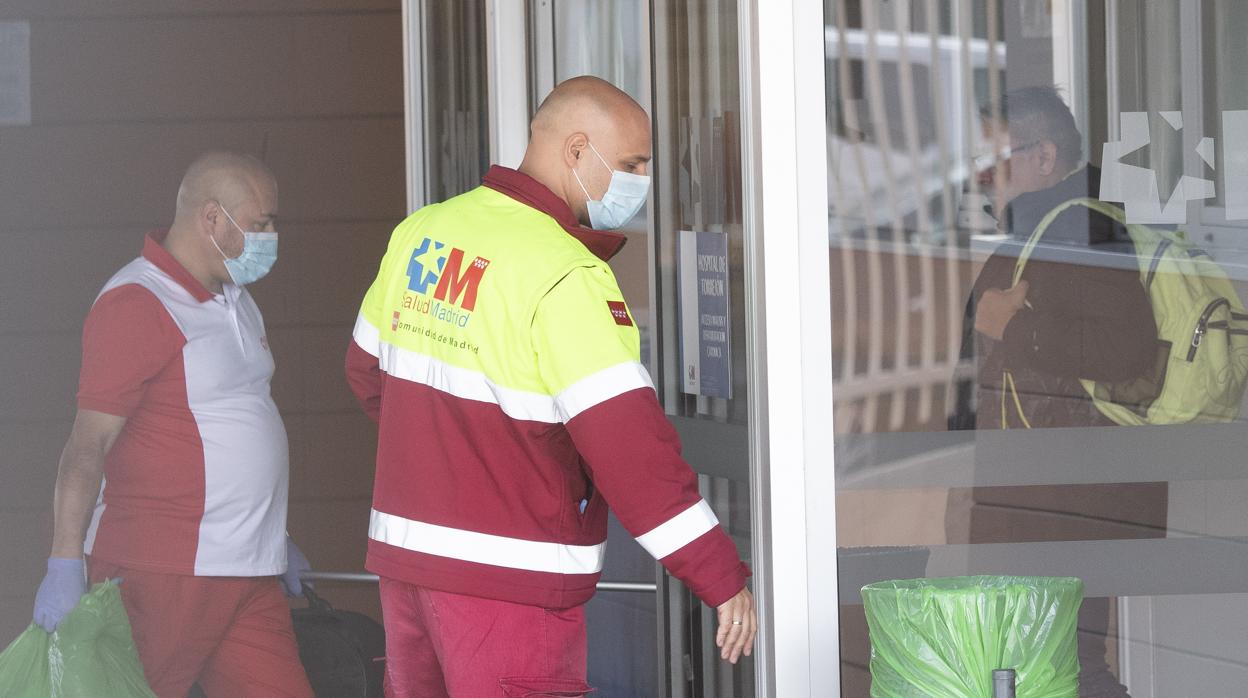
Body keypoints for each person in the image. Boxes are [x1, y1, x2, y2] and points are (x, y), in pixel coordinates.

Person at [346, 76, 755, 696]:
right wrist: (721, 577)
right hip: (509, 587)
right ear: (576, 150)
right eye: (632, 164)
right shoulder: (565, 274)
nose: (642, 182)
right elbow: (632, 457)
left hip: (407, 570)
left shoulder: (422, 234)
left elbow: (367, 375)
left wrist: (450, 456)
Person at [32, 152, 314, 697]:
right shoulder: (137, 302)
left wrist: (275, 534)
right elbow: (87, 445)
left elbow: (234, 420)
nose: (271, 236)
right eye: (260, 224)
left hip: (248, 568)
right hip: (160, 566)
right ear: (212, 219)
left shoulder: (236, 297)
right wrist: (65, 560)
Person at [951, 86, 1167, 697]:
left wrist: (1010, 323)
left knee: (1068, 669)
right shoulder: (1046, 226)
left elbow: (1124, 349)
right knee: (1037, 670)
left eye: (994, 162)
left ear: (1044, 157)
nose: (982, 178)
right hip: (1042, 499)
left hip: (1066, 502)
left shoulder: (1081, 226)